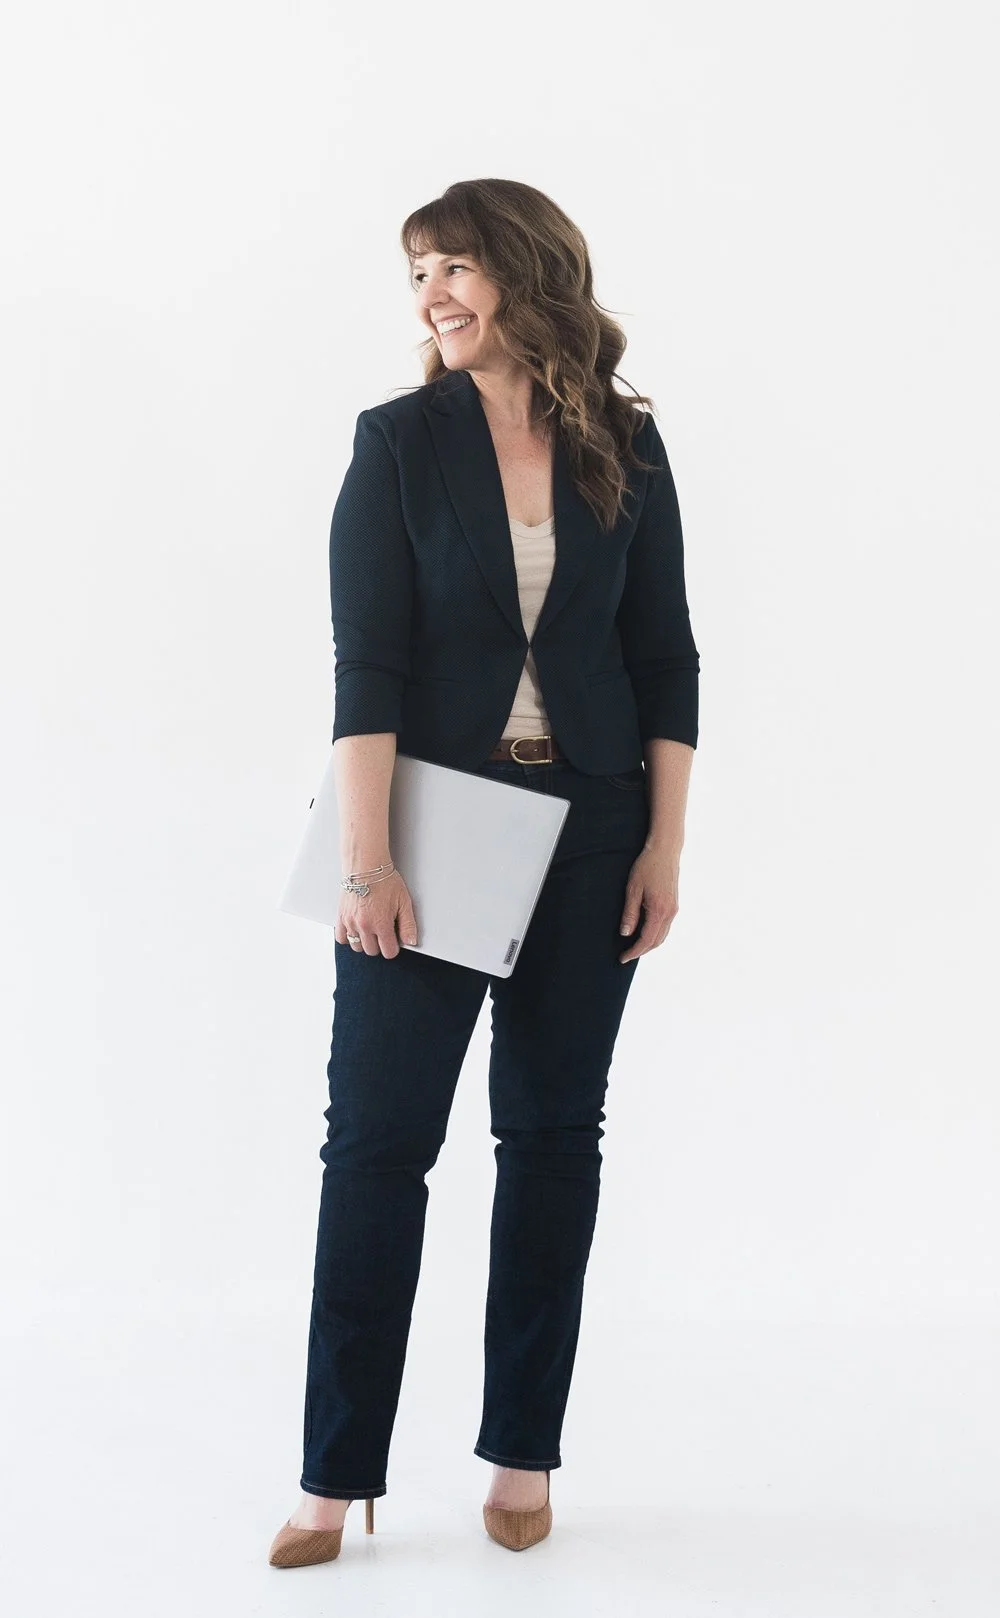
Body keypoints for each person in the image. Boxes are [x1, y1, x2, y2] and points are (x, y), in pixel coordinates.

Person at [269, 177, 700, 1568]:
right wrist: (364, 860)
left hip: (590, 830)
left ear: (525, 269)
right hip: (431, 837)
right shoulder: (396, 442)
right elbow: (367, 663)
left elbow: (665, 658)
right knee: (379, 1150)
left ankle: (522, 1448)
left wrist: (663, 840)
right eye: (416, 277)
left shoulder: (624, 444)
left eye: (454, 267)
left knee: (552, 1141)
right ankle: (335, 1472)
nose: (432, 296)